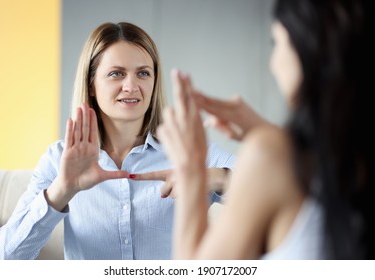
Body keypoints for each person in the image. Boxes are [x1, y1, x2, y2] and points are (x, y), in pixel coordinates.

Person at [0, 22, 235, 260]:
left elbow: (270, 191)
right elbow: (5, 259)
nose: (131, 86)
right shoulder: (59, 159)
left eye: (143, 73)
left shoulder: (191, 153)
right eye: (116, 74)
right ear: (92, 84)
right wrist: (62, 190)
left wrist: (216, 178)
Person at [158, 0, 373, 259]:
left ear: (307, 48)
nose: (273, 63)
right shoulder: (343, 153)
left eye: (277, 43)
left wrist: (191, 168)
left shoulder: (271, 154)